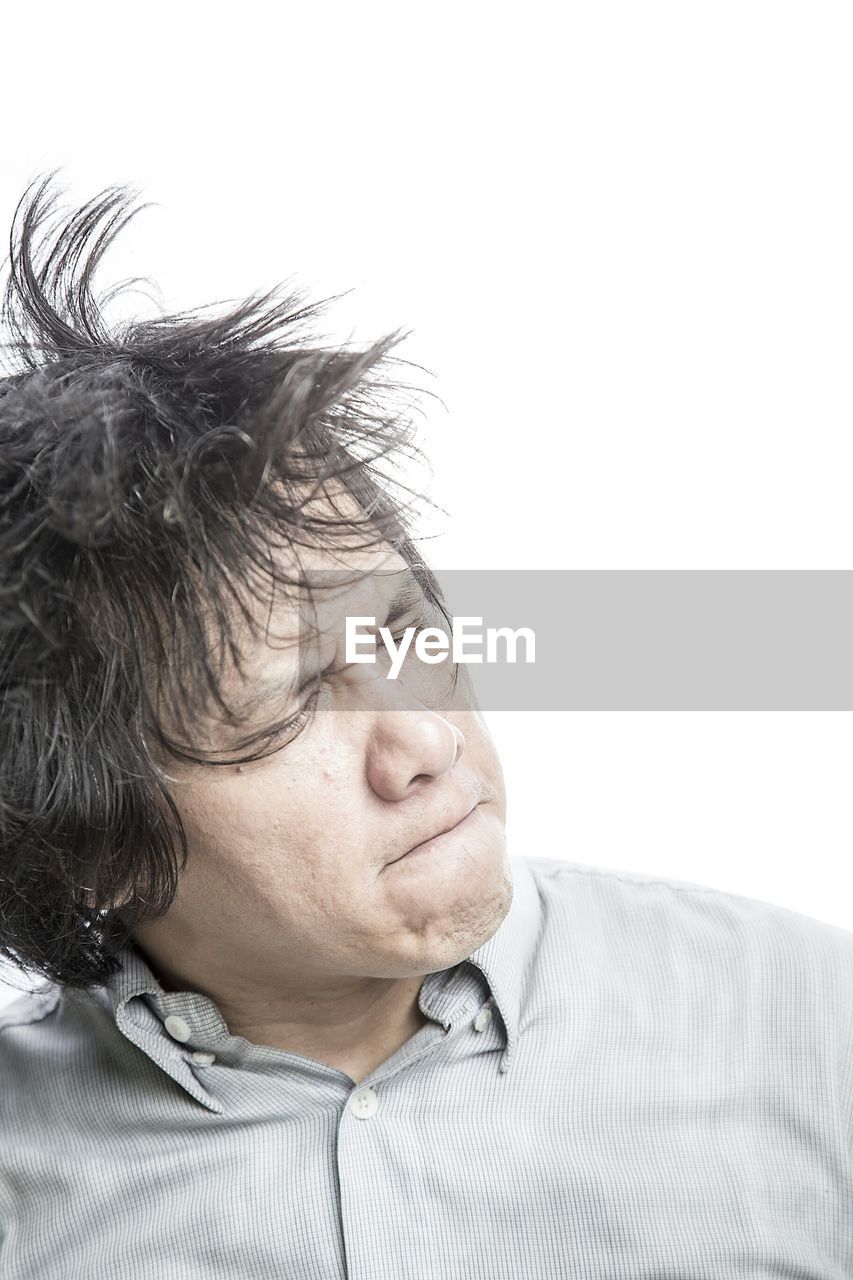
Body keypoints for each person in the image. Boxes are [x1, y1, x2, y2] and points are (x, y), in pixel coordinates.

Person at [0, 178, 850, 1280]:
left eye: (404, 627)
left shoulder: (807, 1023)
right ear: (96, 846)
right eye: (295, 700)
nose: (425, 744)